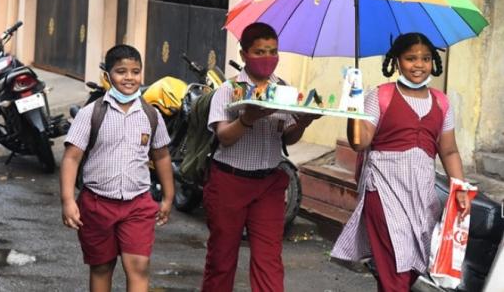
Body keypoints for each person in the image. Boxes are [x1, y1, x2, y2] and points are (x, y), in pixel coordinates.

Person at [331, 32, 471, 292]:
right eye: (410, 58)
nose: (419, 65)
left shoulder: (441, 103)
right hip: (384, 192)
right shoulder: (380, 96)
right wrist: (352, 108)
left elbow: (449, 151)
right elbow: (360, 143)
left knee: (410, 268)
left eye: (426, 59)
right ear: (396, 61)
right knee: (396, 267)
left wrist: (460, 187)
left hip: (422, 197)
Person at [202, 22, 320, 292]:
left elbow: (287, 137)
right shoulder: (228, 89)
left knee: (269, 260)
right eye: (259, 52)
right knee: (221, 259)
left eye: (273, 51)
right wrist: (248, 118)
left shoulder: (284, 90)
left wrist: (303, 122)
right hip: (229, 182)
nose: (268, 58)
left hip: (269, 184)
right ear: (244, 55)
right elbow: (224, 137)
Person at [60, 44, 174, 292]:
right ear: (108, 75)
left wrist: (168, 196)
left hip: (138, 204)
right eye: (121, 71)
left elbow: (162, 155)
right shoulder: (91, 113)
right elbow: (71, 157)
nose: (129, 78)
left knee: (139, 265)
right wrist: (68, 200)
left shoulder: (151, 115)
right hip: (97, 204)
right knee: (101, 266)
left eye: (135, 71)